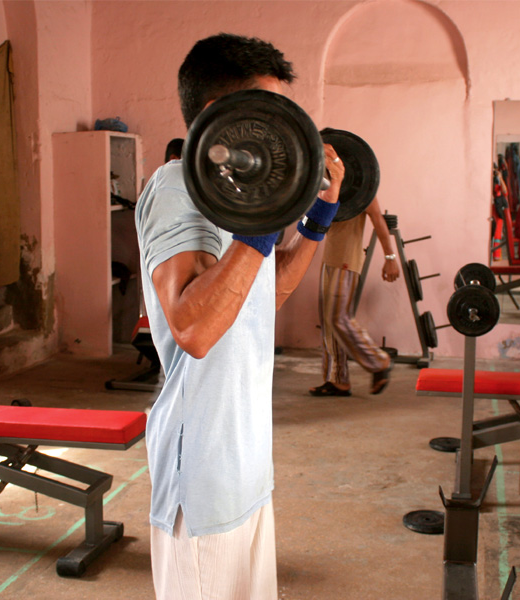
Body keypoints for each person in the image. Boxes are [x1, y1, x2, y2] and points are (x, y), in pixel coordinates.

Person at [134, 33, 345, 599]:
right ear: (219, 118)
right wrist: (261, 219)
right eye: (268, 116)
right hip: (202, 477)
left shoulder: (235, 199)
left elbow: (263, 296)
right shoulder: (177, 185)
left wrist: (319, 215)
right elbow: (195, 328)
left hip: (246, 468)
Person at [308, 195, 399, 397]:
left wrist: (390, 258)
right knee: (328, 324)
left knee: (338, 318)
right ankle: (338, 380)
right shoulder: (331, 184)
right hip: (330, 258)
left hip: (347, 260)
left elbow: (377, 219)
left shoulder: (363, 187)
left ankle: (379, 361)